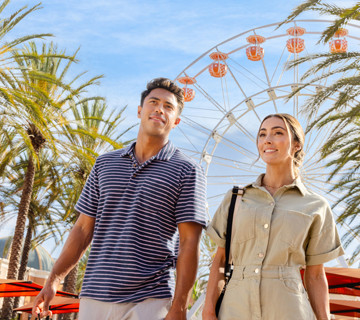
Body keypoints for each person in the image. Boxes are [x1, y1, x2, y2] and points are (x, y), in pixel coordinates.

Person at [32, 78, 207, 320]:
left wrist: (179, 307)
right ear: (139, 110)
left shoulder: (187, 170)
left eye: (168, 106)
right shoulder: (104, 164)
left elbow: (189, 243)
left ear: (176, 120)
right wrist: (54, 279)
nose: (159, 109)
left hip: (151, 299)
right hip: (94, 295)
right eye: (153, 102)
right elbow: (83, 229)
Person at [202, 113, 344, 320]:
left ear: (296, 144)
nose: (267, 139)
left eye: (278, 132)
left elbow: (314, 276)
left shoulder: (316, 206)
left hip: (290, 310)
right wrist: (208, 312)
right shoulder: (236, 199)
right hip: (234, 310)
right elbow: (221, 260)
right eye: (262, 134)